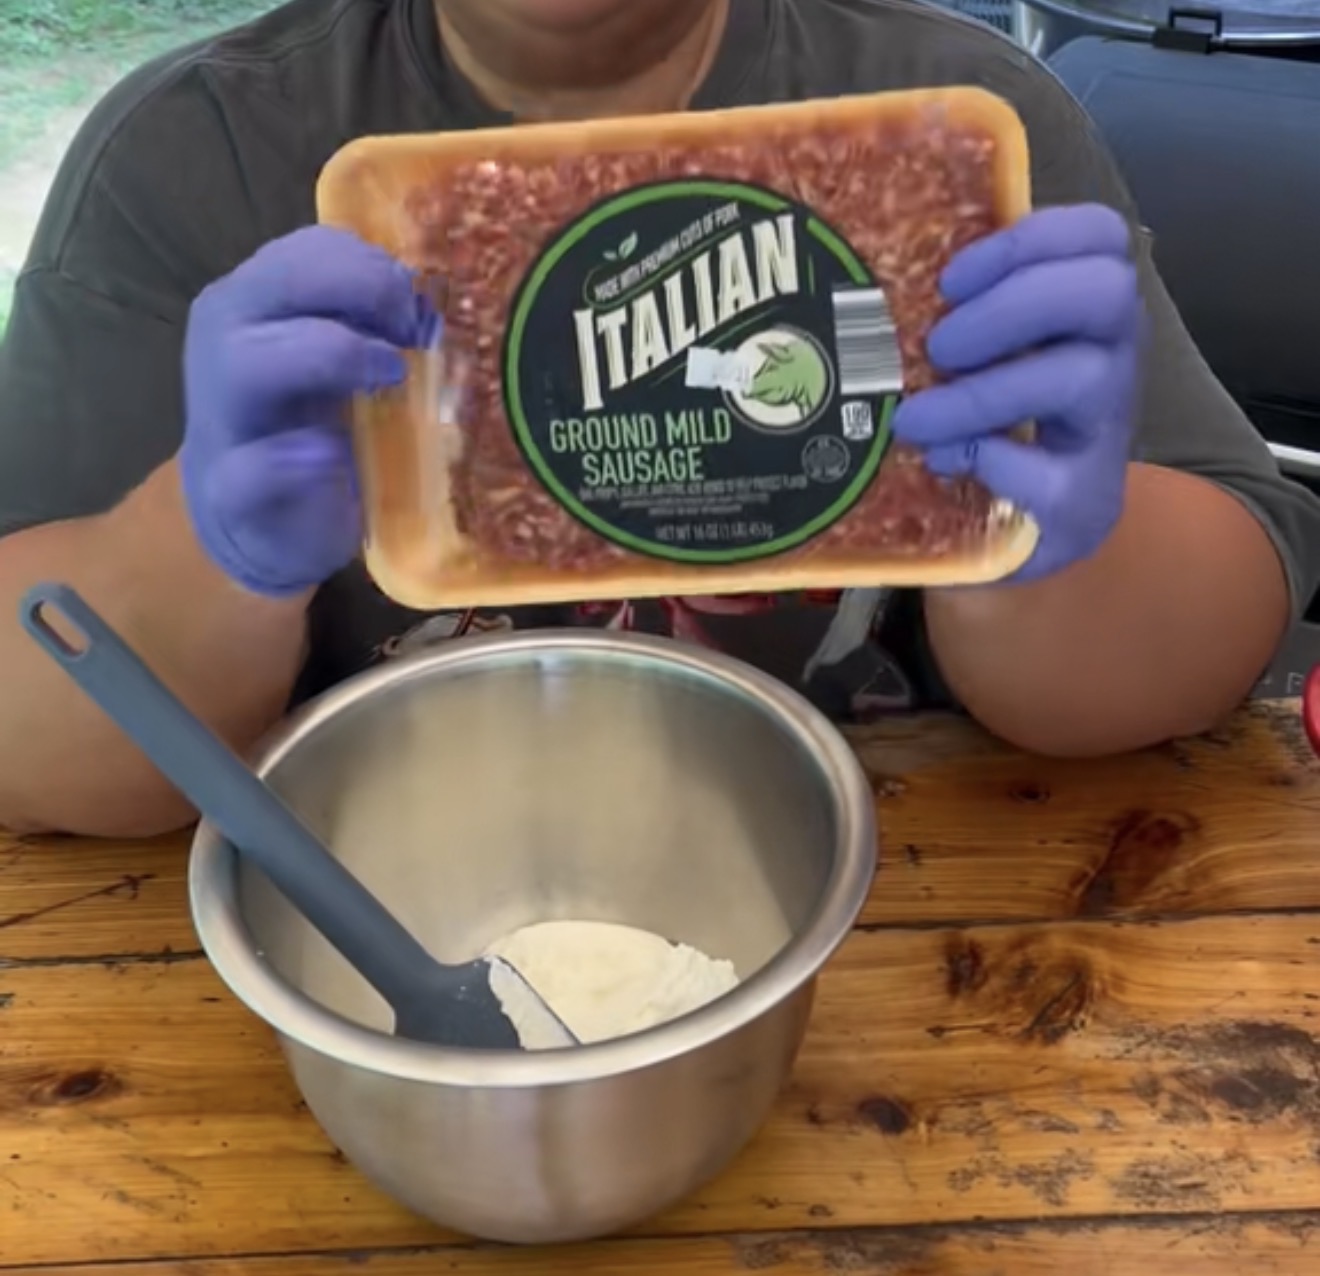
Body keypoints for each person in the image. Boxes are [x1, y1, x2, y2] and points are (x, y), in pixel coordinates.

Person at [0, 0, 1315, 839]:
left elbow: (1214, 633)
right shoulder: (194, 159)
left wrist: (1047, 549)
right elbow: (37, 735)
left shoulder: (959, 135)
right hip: (364, 904)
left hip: (897, 907)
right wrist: (195, 550)